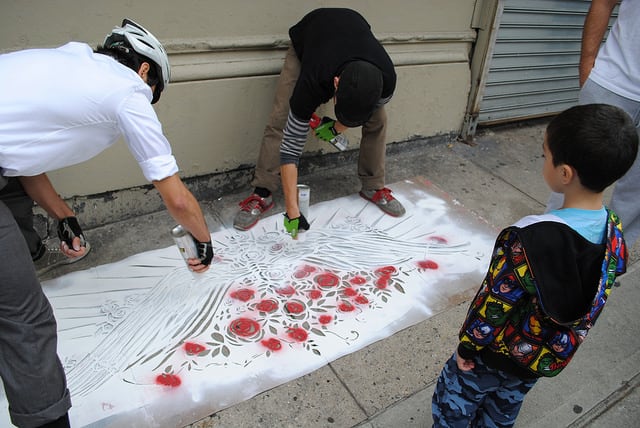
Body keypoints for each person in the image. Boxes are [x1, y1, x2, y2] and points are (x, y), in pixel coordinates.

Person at [0, 19, 213, 428]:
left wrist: (64, 216)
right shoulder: (128, 90)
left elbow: (21, 155)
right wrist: (202, 241)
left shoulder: (71, 60)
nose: (149, 101)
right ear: (145, 70)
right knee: (26, 321)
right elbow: (177, 198)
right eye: (155, 94)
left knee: (18, 229)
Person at [432, 104, 638, 427]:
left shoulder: (528, 239)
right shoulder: (614, 234)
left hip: (491, 357)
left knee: (454, 403)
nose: (543, 161)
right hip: (539, 359)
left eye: (545, 155)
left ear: (565, 173)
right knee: (503, 409)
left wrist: (467, 348)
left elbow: (494, 302)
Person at [233, 8, 405, 236]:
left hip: (353, 29)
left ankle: (373, 186)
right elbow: (290, 147)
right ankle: (262, 192)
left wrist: (336, 127)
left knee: (378, 119)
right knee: (281, 116)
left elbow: (368, 109)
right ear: (336, 83)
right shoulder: (313, 80)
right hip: (311, 36)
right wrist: (292, 210)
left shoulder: (387, 80)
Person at [546, 0, 640, 249]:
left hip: (611, 83)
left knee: (636, 192)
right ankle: (549, 245)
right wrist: (588, 66)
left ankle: (608, 258)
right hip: (613, 82)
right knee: (572, 172)